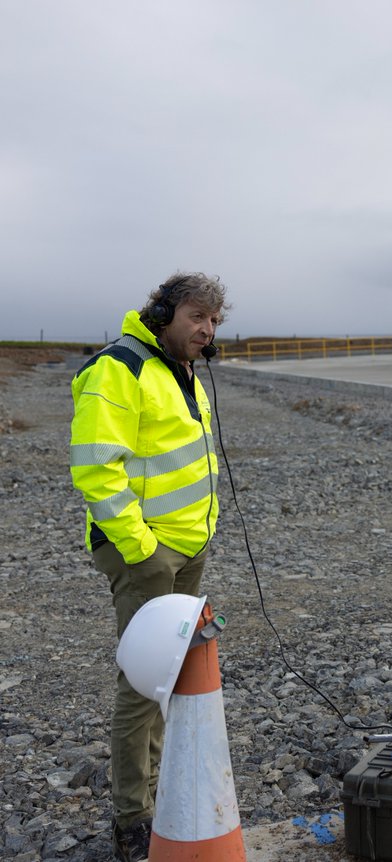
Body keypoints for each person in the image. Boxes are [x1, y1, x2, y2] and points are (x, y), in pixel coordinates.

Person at [69, 273, 229, 861]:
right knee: (144, 683)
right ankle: (132, 817)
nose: (206, 331)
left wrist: (196, 538)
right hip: (146, 551)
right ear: (163, 312)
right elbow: (95, 469)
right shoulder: (121, 368)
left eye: (213, 321)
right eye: (195, 317)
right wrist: (141, 548)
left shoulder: (182, 370)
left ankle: (161, 795)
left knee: (175, 677)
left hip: (189, 547)